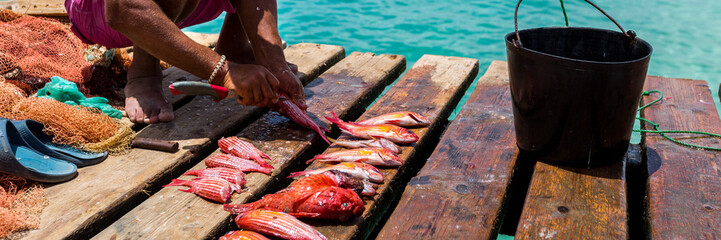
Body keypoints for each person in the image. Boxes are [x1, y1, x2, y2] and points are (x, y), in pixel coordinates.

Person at [64, 0, 306, 123]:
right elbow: (121, 9)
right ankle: (144, 72)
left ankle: (235, 47)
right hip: (106, 14)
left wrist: (275, 62)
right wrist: (224, 72)